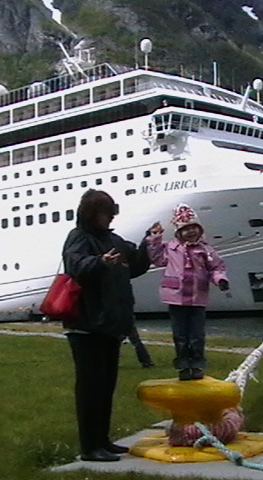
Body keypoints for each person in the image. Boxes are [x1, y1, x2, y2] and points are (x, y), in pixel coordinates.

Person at [62, 189, 150, 462]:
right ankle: (90, 446)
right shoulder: (79, 237)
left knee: (106, 385)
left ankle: (102, 440)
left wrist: (149, 244)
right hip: (86, 324)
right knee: (90, 386)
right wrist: (100, 262)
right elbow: (76, 266)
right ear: (91, 214)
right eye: (105, 213)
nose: (109, 217)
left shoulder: (113, 240)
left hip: (111, 323)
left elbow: (135, 265)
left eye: (111, 213)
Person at [146, 203, 229, 381]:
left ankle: (197, 364)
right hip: (176, 298)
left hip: (197, 298)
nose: (191, 231)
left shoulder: (206, 250)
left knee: (197, 335)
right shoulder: (171, 248)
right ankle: (183, 365)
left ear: (200, 229)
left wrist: (220, 279)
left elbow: (216, 267)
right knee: (180, 335)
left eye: (194, 227)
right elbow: (157, 258)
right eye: (186, 229)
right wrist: (155, 238)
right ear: (178, 232)